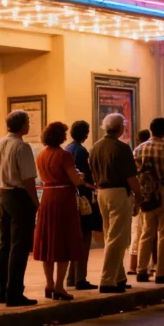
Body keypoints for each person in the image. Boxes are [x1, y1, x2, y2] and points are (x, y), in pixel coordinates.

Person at [0, 110, 39, 306]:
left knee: (5, 244)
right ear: (22, 125)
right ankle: (15, 292)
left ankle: (2, 290)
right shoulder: (22, 146)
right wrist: (36, 203)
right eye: (28, 122)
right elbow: (28, 179)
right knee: (20, 245)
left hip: (4, 193)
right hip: (20, 195)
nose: (29, 125)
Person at [89, 113, 142, 294]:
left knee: (110, 234)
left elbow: (93, 172)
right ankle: (107, 280)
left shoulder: (95, 147)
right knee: (118, 237)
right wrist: (139, 196)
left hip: (101, 192)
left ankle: (119, 276)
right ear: (121, 128)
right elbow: (131, 177)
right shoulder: (121, 148)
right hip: (119, 192)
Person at [33, 122, 84, 301]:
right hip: (63, 198)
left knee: (48, 242)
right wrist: (81, 177)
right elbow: (75, 181)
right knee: (64, 242)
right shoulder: (64, 155)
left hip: (47, 197)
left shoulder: (41, 155)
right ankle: (60, 286)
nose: (65, 136)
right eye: (63, 133)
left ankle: (49, 284)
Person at [133, 118, 164, 284]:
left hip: (147, 193)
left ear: (151, 129)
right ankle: (161, 272)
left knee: (147, 232)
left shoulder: (139, 149)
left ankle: (141, 270)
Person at [65, 120, 101, 291]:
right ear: (85, 134)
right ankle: (80, 277)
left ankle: (71, 276)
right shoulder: (81, 150)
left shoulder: (68, 149)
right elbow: (85, 177)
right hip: (83, 199)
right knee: (84, 238)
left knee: (75, 238)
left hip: (71, 199)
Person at [127, 129, 151, 276]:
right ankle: (143, 265)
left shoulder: (134, 152)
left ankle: (133, 265)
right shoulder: (147, 153)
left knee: (136, 229)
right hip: (146, 194)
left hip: (136, 195)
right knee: (147, 231)